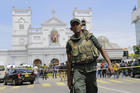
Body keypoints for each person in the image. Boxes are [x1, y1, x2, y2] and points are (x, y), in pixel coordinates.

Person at [66, 18, 113, 93]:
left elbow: (101, 49)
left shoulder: (90, 37)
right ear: (71, 29)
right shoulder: (70, 43)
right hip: (78, 70)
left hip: (91, 69)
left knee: (92, 90)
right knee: (78, 90)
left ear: (81, 26)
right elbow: (69, 62)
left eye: (77, 24)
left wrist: (109, 64)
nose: (75, 26)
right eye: (73, 25)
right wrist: (69, 80)